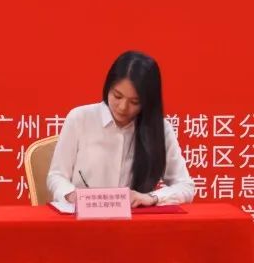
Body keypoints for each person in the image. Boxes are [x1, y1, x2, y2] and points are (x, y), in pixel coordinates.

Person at [47, 50, 194, 206]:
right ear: (108, 87)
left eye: (134, 102)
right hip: (83, 216)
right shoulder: (80, 118)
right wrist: (71, 195)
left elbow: (185, 186)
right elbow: (56, 176)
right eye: (117, 96)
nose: (123, 107)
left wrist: (151, 197)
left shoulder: (160, 130)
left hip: (135, 219)